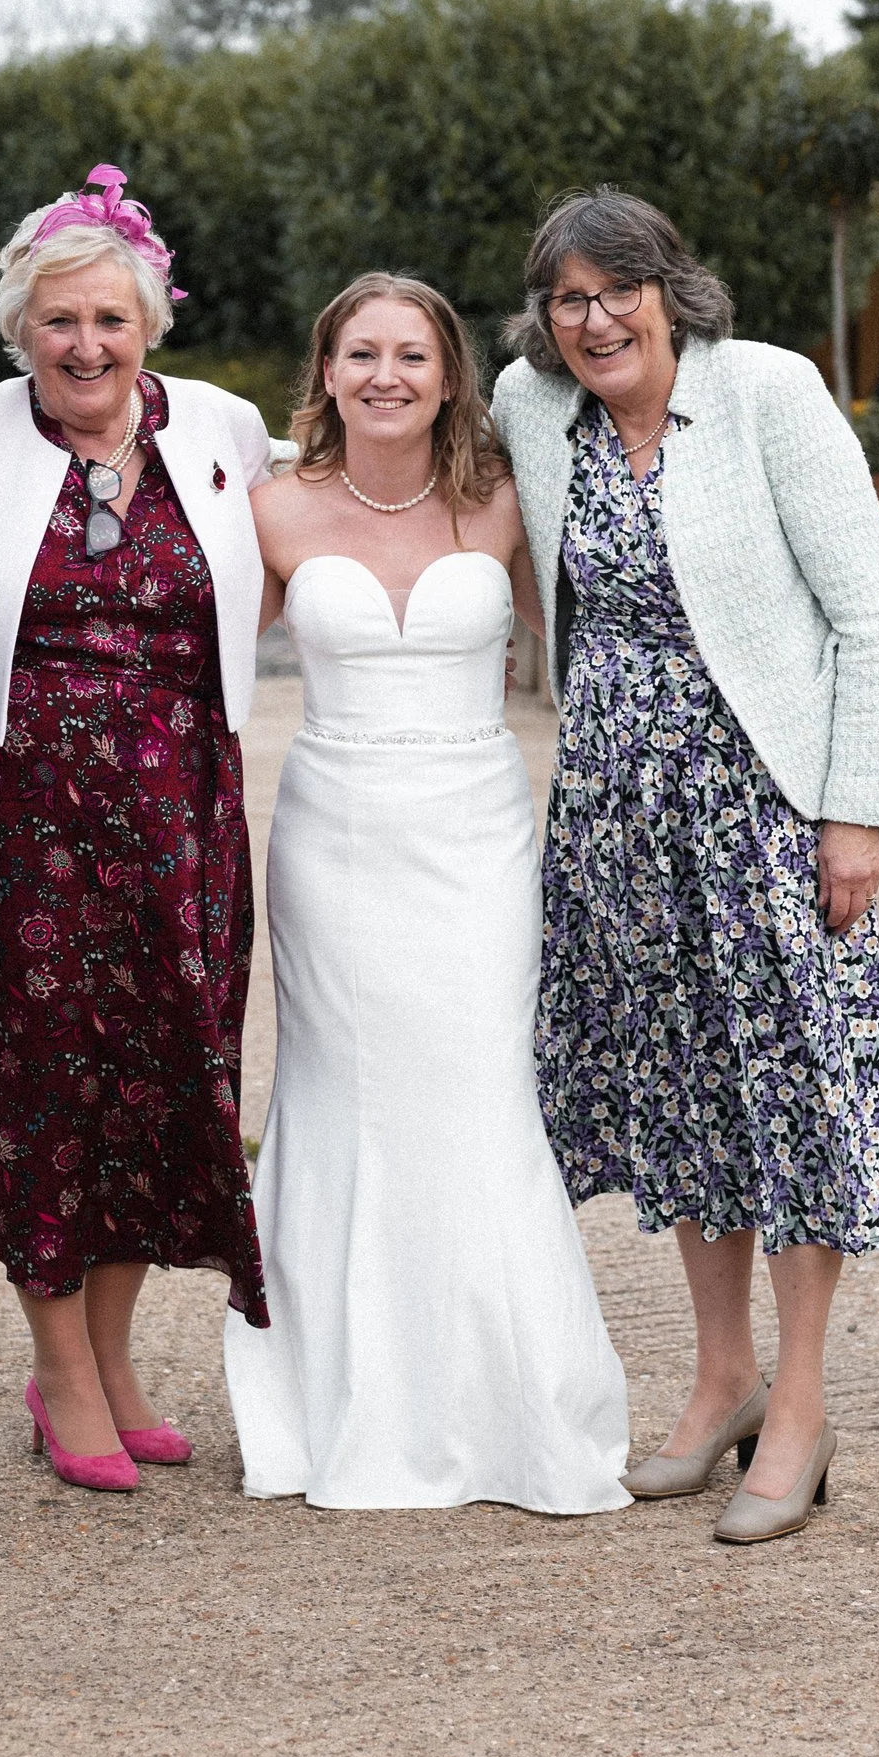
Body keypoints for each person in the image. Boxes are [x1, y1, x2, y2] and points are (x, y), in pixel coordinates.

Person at [492, 187, 879, 1547]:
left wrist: (849, 813)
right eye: (566, 296)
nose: (593, 315)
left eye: (616, 286)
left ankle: (797, 1402)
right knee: (680, 1091)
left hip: (761, 807)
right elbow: (379, 445)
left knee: (787, 1089)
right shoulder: (528, 407)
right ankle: (718, 1377)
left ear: (669, 287)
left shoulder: (764, 393)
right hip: (613, 814)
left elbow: (866, 614)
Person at [222, 272, 631, 1515]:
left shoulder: (507, 500)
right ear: (326, 370)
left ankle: (506, 1404)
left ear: (450, 376)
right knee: (344, 1095)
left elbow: (609, 628)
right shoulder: (270, 509)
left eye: (411, 354)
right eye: (361, 353)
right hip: (334, 838)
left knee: (476, 1086)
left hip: (475, 836)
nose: (385, 375)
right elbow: (189, 668)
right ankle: (343, 1393)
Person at [0, 166, 271, 1493]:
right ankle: (60, 1372)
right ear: (20, 331)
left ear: (149, 327)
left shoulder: (223, 432)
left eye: (109, 321)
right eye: (58, 322)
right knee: (39, 1090)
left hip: (183, 816)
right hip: (15, 821)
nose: (85, 346)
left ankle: (115, 1357)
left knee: (163, 1084)